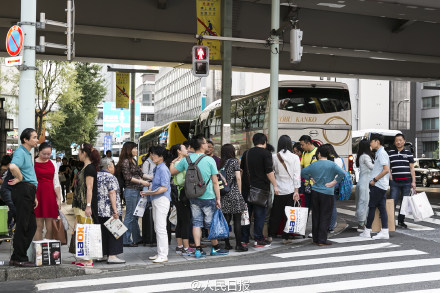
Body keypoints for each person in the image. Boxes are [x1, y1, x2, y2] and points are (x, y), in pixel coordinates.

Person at [170, 134, 228, 258]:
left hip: (193, 196)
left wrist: (175, 160)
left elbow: (172, 172)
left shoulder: (187, 159)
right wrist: (218, 198)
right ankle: (215, 248)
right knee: (210, 223)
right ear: (201, 145)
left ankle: (197, 249)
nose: (207, 144)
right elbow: (215, 182)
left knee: (196, 223)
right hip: (208, 196)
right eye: (206, 142)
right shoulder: (209, 160)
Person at [301, 144, 346, 246]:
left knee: (316, 215)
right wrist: (334, 182)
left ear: (319, 154)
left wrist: (310, 178)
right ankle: (322, 239)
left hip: (315, 192)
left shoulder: (314, 164)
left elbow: (303, 172)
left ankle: (315, 238)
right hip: (328, 192)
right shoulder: (332, 164)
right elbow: (342, 173)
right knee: (325, 216)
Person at [240, 133, 279, 248]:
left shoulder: (246, 153)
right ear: (265, 141)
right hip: (260, 191)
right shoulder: (266, 153)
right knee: (259, 215)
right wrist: (275, 185)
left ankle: (244, 239)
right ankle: (258, 239)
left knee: (246, 216)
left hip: (247, 189)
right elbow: (269, 172)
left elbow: (241, 170)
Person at [8, 128, 39, 267]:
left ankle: (16, 256)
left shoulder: (26, 153)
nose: (36, 140)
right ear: (26, 140)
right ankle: (20, 257)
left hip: (28, 191)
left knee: (30, 225)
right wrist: (20, 177)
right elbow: (13, 166)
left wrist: (34, 196)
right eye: (34, 137)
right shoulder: (21, 152)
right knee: (24, 225)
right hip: (23, 190)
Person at [141, 146, 172, 263]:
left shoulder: (163, 169)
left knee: (160, 228)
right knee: (157, 227)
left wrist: (149, 192)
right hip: (156, 199)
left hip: (161, 200)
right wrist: (150, 191)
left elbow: (164, 187)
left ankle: (163, 255)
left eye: (154, 154)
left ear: (161, 157)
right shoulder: (158, 168)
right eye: (152, 154)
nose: (152, 156)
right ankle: (160, 252)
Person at [72, 143, 101, 266]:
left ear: (84, 153)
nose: (78, 154)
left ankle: (88, 259)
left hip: (86, 204)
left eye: (79, 152)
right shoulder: (85, 167)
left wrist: (88, 205)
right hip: (80, 204)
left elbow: (90, 188)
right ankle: (83, 257)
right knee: (81, 230)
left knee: (87, 230)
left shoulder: (89, 168)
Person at [116, 142, 149, 247]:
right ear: (129, 149)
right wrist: (142, 182)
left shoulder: (133, 161)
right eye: (134, 148)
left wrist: (152, 177)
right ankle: (125, 239)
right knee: (130, 216)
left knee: (135, 216)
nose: (136, 150)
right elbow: (128, 177)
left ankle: (137, 238)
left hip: (136, 191)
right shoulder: (126, 161)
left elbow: (141, 174)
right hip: (130, 191)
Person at [268, 135, 301, 244]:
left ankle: (270, 236)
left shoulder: (274, 156)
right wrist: (296, 191)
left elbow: (271, 172)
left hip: (278, 190)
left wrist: (274, 186)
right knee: (289, 215)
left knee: (275, 214)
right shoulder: (295, 157)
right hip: (291, 190)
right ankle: (285, 237)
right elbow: (297, 175)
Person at [360, 133, 390, 240]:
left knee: (372, 207)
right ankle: (385, 231)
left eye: (371, 141)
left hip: (378, 185)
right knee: (381, 208)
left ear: (377, 141)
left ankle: (367, 231)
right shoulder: (380, 152)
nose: (370, 144)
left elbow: (386, 169)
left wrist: (374, 180)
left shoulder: (381, 153)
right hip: (380, 185)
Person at [219, 144, 248, 252]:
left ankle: (227, 244)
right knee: (237, 220)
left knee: (226, 220)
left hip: (224, 194)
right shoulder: (234, 161)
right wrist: (240, 193)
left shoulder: (221, 163)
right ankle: (238, 245)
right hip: (234, 193)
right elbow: (238, 178)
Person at [97, 158, 125, 264]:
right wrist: (115, 210)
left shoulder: (96, 176)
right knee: (114, 232)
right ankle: (112, 256)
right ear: (108, 167)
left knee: (103, 232)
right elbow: (112, 193)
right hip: (110, 210)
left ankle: (103, 254)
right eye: (113, 166)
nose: (114, 168)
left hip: (99, 210)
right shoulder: (111, 177)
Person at [169, 144, 194, 256]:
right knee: (186, 221)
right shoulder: (181, 163)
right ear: (179, 151)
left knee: (180, 220)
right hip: (183, 193)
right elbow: (183, 179)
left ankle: (179, 246)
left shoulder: (176, 163)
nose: (187, 150)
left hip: (178, 194)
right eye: (185, 148)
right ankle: (186, 247)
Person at [33, 142, 62, 240]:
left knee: (50, 227)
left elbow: (56, 182)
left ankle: (48, 251)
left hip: (50, 196)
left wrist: (59, 198)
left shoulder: (53, 163)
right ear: (38, 151)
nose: (46, 156)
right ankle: (38, 252)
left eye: (48, 154)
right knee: (38, 226)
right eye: (43, 154)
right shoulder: (33, 163)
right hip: (37, 195)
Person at [388, 133, 416, 229]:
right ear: (394, 142)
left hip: (407, 182)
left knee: (404, 203)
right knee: (393, 201)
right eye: (396, 140)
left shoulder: (408, 153)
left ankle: (401, 221)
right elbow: (387, 167)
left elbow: (412, 168)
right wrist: (390, 177)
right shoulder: (390, 153)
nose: (398, 142)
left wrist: (414, 182)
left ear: (404, 141)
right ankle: (390, 222)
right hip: (394, 182)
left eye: (400, 140)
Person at [355, 139, 374, 231]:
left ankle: (362, 222)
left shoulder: (361, 156)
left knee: (361, 202)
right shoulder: (366, 156)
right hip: (365, 182)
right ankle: (361, 223)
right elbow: (371, 167)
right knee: (364, 202)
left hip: (362, 182)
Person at [327, 144, 344, 233]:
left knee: (329, 205)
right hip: (337, 183)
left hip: (331, 183)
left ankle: (330, 226)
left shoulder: (331, 160)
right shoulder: (339, 159)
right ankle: (331, 226)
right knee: (333, 205)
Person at [299, 135, 318, 210]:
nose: (301, 147)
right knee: (305, 208)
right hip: (306, 185)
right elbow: (301, 167)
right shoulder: (304, 153)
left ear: (308, 143)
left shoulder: (318, 152)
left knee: (316, 209)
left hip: (316, 186)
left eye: (302, 144)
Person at [0, 155, 15, 226]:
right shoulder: (9, 171)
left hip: (4, 193)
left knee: (4, 210)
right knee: (10, 209)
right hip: (5, 192)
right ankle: (6, 224)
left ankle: (6, 225)